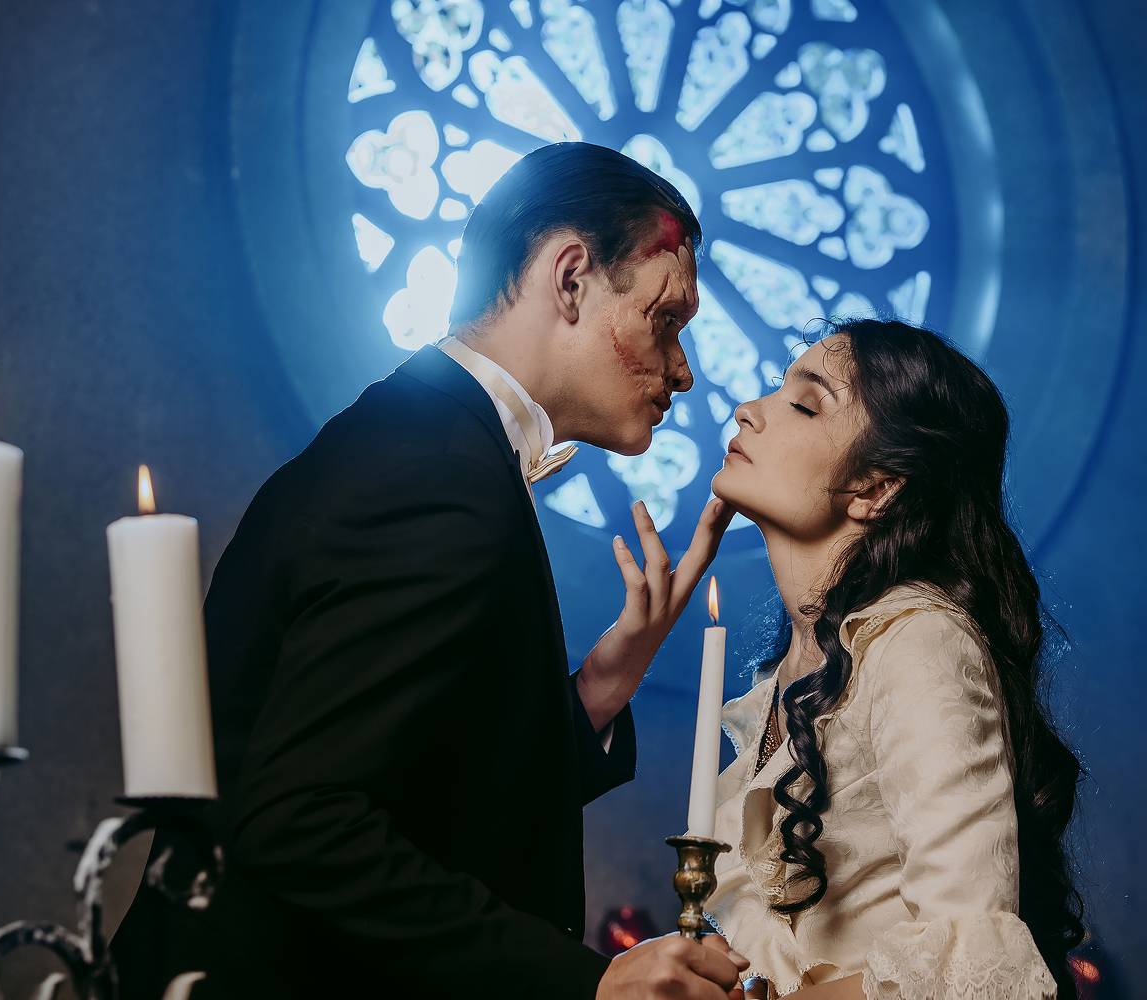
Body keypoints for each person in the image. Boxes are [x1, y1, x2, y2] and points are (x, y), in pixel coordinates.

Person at [111, 142, 749, 999]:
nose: (684, 371)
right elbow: (299, 823)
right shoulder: (435, 474)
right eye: (664, 320)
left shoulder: (428, 439)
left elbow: (435, 792)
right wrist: (590, 986)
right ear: (570, 278)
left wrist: (601, 686)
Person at [704, 319, 1086, 999]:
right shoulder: (779, 686)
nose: (747, 410)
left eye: (804, 404)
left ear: (876, 489)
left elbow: (973, 970)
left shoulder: (918, 640)